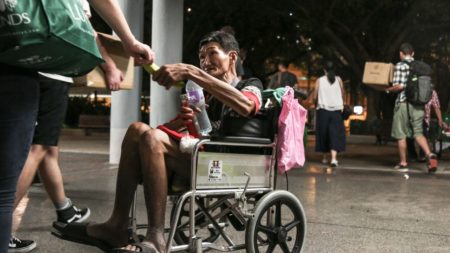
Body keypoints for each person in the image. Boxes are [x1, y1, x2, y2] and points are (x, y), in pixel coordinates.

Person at [53, 30, 263, 253]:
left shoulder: (250, 84)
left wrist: (190, 71)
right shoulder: (203, 94)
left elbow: (247, 106)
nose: (205, 61)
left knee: (153, 137)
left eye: (212, 53)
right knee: (137, 130)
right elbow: (195, 134)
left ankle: (156, 238)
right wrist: (187, 120)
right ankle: (117, 225)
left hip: (228, 168)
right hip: (202, 160)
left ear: (232, 56)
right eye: (201, 57)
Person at [0, 0, 154, 251]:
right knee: (35, 153)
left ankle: (64, 208)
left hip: (23, 62)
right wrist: (118, 55)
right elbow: (84, 29)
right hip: (40, 64)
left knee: (47, 150)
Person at [385, 43, 438, 173]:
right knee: (418, 134)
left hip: (403, 104)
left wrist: (388, 89)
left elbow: (399, 86)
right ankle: (430, 155)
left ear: (401, 53)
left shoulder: (400, 65)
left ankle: (403, 163)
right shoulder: (420, 67)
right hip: (419, 106)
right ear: (413, 53)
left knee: (401, 134)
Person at [311, 61, 346, 167]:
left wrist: (314, 103)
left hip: (323, 111)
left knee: (323, 133)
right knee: (335, 134)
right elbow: (343, 94)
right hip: (336, 112)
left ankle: (325, 157)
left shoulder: (319, 80)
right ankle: (334, 159)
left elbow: (314, 96)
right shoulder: (339, 80)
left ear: (324, 70)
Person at [406, 89, 448, 162]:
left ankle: (416, 155)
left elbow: (436, 107)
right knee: (416, 135)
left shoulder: (431, 91)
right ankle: (418, 156)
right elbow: (436, 106)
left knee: (413, 135)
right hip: (421, 117)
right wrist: (440, 120)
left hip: (417, 117)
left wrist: (440, 120)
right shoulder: (430, 91)